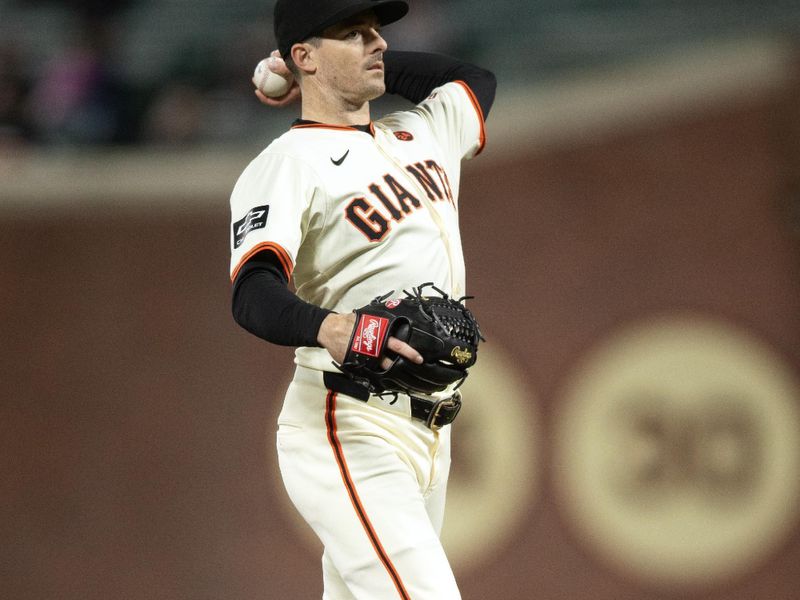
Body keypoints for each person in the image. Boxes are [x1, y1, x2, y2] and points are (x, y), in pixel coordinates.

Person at [228, 1, 496, 597]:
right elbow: (254, 294)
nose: (377, 43)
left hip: (433, 430)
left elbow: (474, 80)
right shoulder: (285, 164)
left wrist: (337, 58)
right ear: (307, 56)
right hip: (348, 421)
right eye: (354, 33)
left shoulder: (421, 131)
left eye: (378, 32)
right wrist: (334, 328)